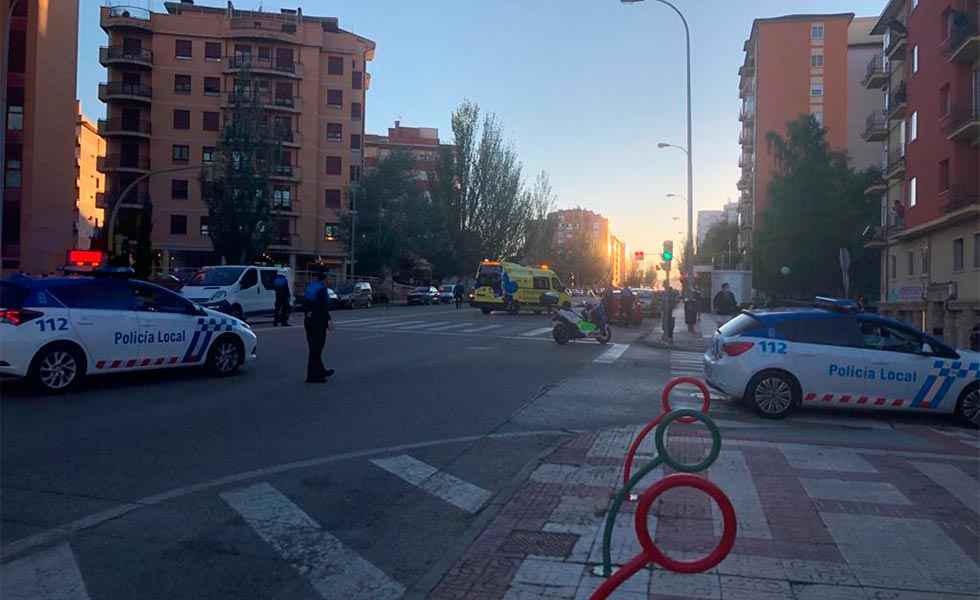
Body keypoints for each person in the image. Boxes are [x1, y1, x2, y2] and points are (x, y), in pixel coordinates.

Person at [303, 271, 334, 383]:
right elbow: (324, 307)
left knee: (314, 348)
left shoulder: (311, 287)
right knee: (316, 349)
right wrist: (328, 322)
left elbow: (304, 304)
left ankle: (321, 370)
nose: (331, 280)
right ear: (325, 279)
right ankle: (312, 376)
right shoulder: (322, 289)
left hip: (308, 321)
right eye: (330, 278)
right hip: (318, 322)